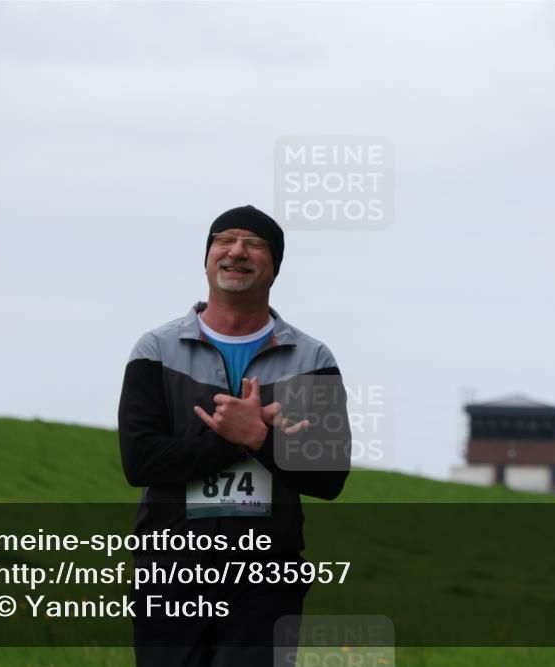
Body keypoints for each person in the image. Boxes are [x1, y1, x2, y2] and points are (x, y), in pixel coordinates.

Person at [118, 205, 351, 666]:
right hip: (170, 569)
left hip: (268, 575)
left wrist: (261, 441)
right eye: (224, 240)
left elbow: (328, 477)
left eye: (254, 243)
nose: (236, 251)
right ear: (207, 259)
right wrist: (234, 439)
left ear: (274, 265)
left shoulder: (313, 358)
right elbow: (139, 461)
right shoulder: (155, 349)